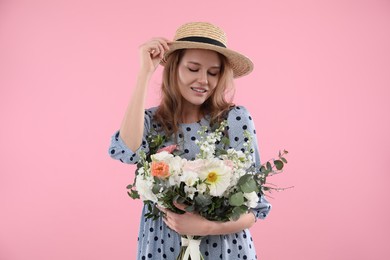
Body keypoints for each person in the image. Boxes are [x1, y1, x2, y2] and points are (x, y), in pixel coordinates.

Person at [108, 22, 271, 260]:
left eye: (213, 73)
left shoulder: (235, 119)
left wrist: (207, 227)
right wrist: (145, 73)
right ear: (174, 69)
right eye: (193, 68)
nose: (203, 80)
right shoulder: (152, 122)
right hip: (161, 246)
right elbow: (127, 151)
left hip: (224, 249)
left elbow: (255, 207)